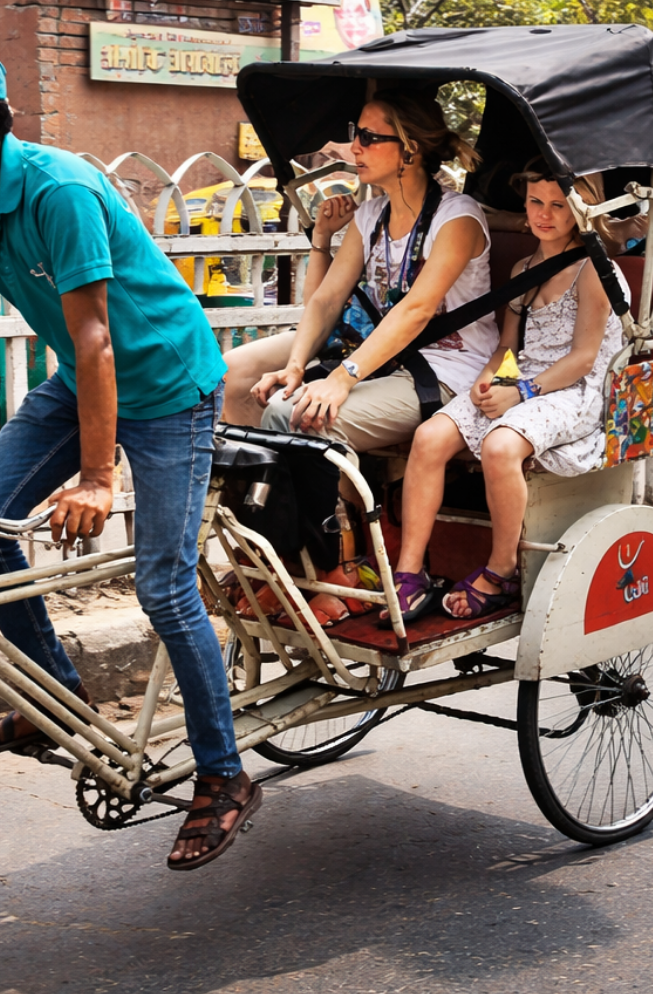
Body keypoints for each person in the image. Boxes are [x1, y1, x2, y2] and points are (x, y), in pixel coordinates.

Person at [0, 43, 253, 871]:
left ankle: (223, 775)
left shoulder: (60, 189)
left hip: (167, 384)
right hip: (81, 382)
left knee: (161, 581)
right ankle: (60, 696)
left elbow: (96, 337)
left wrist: (95, 477)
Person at [390, 172, 625, 622]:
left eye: (558, 206)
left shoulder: (593, 268)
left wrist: (521, 392)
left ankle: (502, 570)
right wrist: (489, 380)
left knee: (500, 446)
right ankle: (410, 572)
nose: (544, 214)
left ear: (578, 211)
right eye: (536, 202)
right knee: (429, 437)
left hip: (575, 390)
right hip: (523, 384)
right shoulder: (523, 270)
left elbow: (583, 357)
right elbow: (508, 348)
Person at [244, 92, 494, 451]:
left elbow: (416, 309)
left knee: (291, 414)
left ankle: (316, 507)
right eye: (355, 134)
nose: (355, 148)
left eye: (368, 137)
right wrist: (296, 366)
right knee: (244, 386)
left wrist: (343, 378)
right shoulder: (371, 214)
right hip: (377, 357)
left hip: (445, 368)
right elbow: (328, 299)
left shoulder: (457, 218)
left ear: (410, 148)